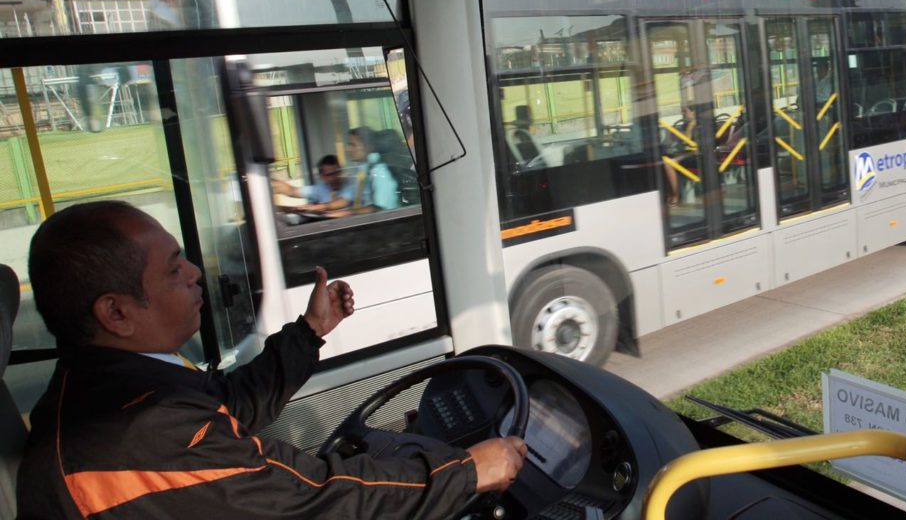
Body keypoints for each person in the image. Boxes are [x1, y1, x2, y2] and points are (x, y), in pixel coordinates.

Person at [17, 201, 526, 519]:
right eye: (174, 270)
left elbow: (229, 403)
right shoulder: (141, 431)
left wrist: (309, 333)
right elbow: (314, 499)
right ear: (117, 312)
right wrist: (465, 471)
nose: (195, 273)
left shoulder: (108, 385)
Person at [271, 154, 355, 217]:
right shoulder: (320, 189)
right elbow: (292, 191)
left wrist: (315, 207)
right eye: (329, 175)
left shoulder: (351, 183)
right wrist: (270, 184)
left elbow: (343, 201)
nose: (334, 177)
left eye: (337, 172)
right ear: (322, 176)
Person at [344, 127, 402, 214]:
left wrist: (347, 213)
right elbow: (349, 197)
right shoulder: (363, 170)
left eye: (353, 145)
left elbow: (381, 209)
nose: (347, 149)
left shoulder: (380, 171)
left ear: (368, 147)